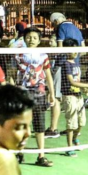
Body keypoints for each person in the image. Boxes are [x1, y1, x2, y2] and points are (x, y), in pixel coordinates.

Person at [15, 27, 56, 167]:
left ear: (39, 40)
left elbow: (48, 75)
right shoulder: (18, 55)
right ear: (24, 38)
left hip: (39, 94)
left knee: (40, 126)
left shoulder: (43, 56)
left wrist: (52, 93)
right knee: (22, 124)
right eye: (28, 37)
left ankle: (41, 156)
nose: (31, 40)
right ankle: (19, 153)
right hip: (22, 93)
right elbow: (11, 73)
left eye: (34, 37)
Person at [55, 39, 88, 156]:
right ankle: (69, 147)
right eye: (72, 49)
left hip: (78, 95)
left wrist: (84, 88)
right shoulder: (66, 64)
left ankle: (75, 138)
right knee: (71, 122)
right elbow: (71, 82)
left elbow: (77, 80)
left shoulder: (76, 63)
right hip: (69, 96)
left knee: (81, 122)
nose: (75, 52)